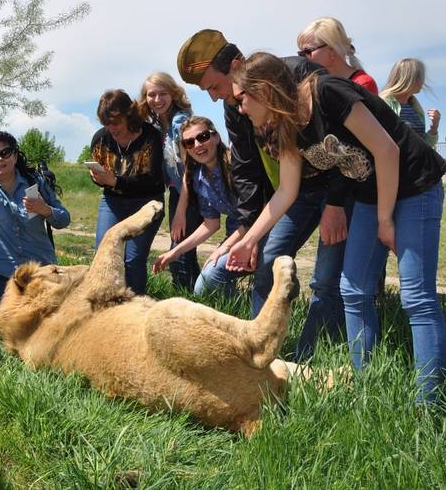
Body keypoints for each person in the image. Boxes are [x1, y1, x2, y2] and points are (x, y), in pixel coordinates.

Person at [228, 51, 446, 403]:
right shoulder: (286, 127)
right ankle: (368, 390)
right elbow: (286, 191)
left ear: (265, 90)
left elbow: (387, 151)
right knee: (354, 291)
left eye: (242, 98)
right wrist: (250, 240)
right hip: (369, 194)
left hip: (414, 184)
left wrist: (385, 219)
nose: (239, 108)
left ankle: (428, 405)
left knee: (416, 297)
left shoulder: (327, 93)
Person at [177, 29, 348, 360]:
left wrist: (337, 203)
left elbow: (345, 148)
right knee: (267, 263)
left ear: (237, 66)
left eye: (214, 86)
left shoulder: (302, 76)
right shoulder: (235, 108)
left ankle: (307, 359)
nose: (214, 98)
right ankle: (258, 354)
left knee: (326, 279)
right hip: (295, 191)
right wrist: (251, 234)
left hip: (341, 186)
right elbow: (246, 172)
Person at [0, 94, 70, 318]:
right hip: (2, 274)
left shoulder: (36, 182)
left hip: (40, 270)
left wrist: (44, 209)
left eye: (5, 153)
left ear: (15, 156)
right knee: (5, 322)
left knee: (47, 319)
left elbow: (64, 219)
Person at [152, 117, 246, 297]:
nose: (197, 145)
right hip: (237, 234)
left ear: (216, 137)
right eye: (189, 142)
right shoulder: (199, 178)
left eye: (202, 137)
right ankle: (237, 310)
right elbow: (211, 223)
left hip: (262, 231)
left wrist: (223, 248)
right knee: (204, 286)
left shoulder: (237, 166)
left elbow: (254, 215)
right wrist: (174, 252)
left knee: (210, 279)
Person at [89, 89, 164, 294]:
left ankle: (135, 305)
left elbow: (152, 180)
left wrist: (115, 181)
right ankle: (105, 302)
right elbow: (101, 176)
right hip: (113, 201)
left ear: (128, 116)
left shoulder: (150, 137)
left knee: (133, 258)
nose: (111, 128)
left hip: (146, 202)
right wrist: (99, 179)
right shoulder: (101, 139)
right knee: (103, 253)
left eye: (116, 122)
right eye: (106, 123)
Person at [140, 71, 200, 291]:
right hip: (178, 191)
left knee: (180, 252)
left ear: (174, 94)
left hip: (192, 192)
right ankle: (198, 297)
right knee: (184, 252)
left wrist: (180, 213)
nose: (157, 100)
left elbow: (189, 170)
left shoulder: (180, 122)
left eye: (162, 93)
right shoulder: (158, 124)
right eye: (151, 95)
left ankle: (186, 301)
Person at [297, 17, 378, 94]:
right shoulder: (310, 87)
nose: (303, 58)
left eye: (307, 51)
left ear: (332, 49)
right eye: (301, 53)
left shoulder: (363, 84)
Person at [380, 58, 440, 147]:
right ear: (410, 78)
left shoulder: (415, 107)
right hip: (394, 160)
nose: (423, 82)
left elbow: (424, 145)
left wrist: (434, 127)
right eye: (421, 77)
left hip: (417, 160)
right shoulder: (383, 103)